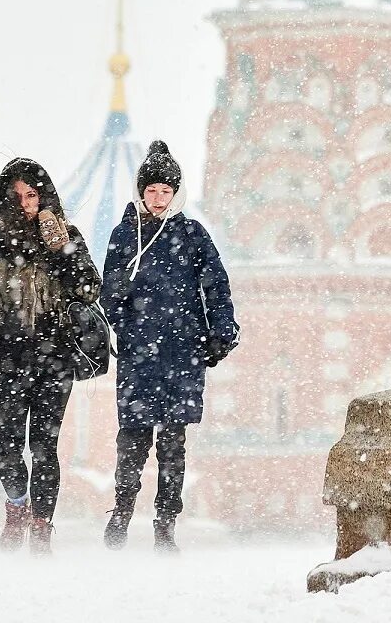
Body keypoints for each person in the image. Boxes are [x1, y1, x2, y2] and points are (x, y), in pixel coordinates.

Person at [0, 158, 101, 555]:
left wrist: (61, 245)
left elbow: (89, 289)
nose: (25, 203)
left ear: (44, 197)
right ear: (4, 200)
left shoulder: (66, 238)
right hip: (7, 357)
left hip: (56, 357)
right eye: (16, 196)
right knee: (6, 448)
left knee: (44, 448)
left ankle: (41, 526)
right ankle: (17, 505)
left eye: (31, 195)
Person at [100, 140, 239, 552]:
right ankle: (122, 513)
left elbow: (216, 284)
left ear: (176, 193)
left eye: (166, 191)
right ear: (141, 192)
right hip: (139, 354)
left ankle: (165, 524)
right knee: (133, 439)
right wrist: (123, 317)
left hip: (182, 351)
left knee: (173, 444)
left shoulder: (192, 234)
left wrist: (221, 329)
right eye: (152, 191)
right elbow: (108, 294)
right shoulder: (125, 234)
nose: (159, 199)